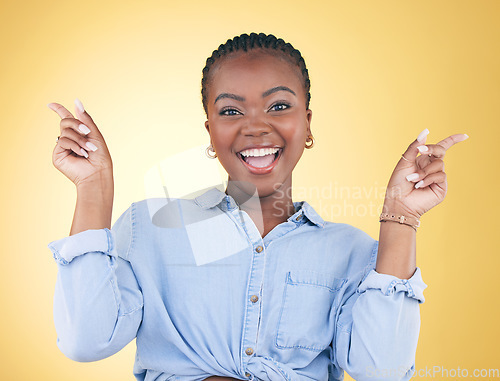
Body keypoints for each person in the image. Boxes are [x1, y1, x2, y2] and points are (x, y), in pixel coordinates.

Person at [47, 32, 468, 381]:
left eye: (279, 106)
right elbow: (86, 341)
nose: (255, 126)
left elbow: (384, 371)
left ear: (307, 123)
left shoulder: (355, 255)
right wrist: (93, 189)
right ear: (210, 131)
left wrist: (402, 217)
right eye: (231, 110)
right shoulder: (150, 226)